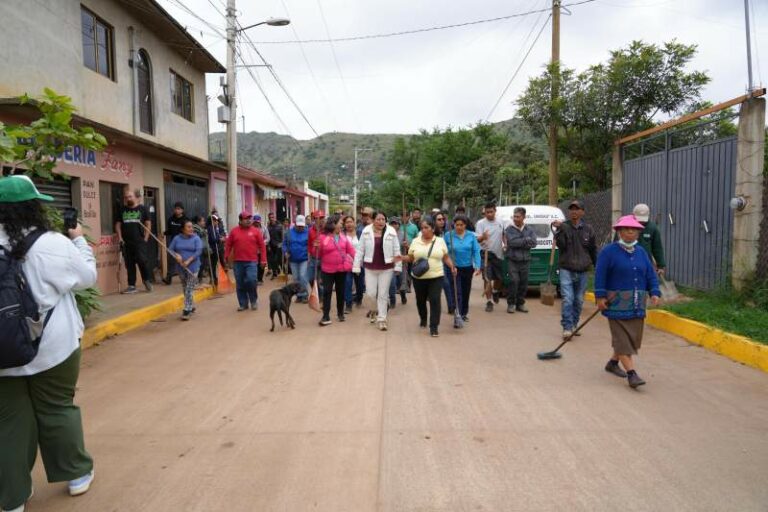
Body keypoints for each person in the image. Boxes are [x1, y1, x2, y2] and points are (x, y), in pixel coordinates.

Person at [0, 175, 97, 511]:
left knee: (8, 421)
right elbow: (87, 278)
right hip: (53, 347)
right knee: (57, 407)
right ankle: (76, 475)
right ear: (34, 207)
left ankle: (12, 497)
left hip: (2, 353)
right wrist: (79, 241)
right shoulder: (52, 243)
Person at [595, 215, 661, 388]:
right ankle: (632, 374)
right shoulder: (608, 252)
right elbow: (600, 275)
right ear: (619, 232)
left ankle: (612, 363)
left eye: (634, 229)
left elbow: (650, 274)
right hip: (615, 303)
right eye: (626, 229)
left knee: (632, 339)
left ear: (638, 233)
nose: (630, 232)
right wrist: (600, 296)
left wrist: (654, 292)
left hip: (637, 303)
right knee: (622, 340)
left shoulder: (641, 252)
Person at [400, 216, 457, 337]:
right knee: (420, 300)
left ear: (433, 228)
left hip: (436, 276)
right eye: (422, 228)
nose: (423, 230)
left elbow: (445, 257)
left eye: (426, 228)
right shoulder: (415, 241)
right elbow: (411, 258)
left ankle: (434, 326)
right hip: (419, 277)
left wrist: (452, 266)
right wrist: (401, 258)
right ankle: (423, 318)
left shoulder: (440, 241)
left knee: (435, 300)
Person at [552, 200, 597, 339]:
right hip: (566, 268)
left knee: (579, 300)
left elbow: (593, 249)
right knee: (568, 298)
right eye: (571, 209)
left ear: (582, 212)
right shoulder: (563, 227)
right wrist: (560, 230)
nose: (574, 212)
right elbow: (561, 245)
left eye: (577, 209)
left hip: (583, 269)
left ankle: (574, 324)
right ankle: (567, 327)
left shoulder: (589, 229)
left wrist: (597, 266)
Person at [353, 211, 402, 331]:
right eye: (378, 219)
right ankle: (374, 310)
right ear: (373, 220)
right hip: (370, 267)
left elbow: (396, 249)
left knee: (383, 294)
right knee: (370, 294)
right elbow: (360, 250)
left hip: (387, 268)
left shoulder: (391, 231)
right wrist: (356, 265)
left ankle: (382, 319)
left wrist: (398, 266)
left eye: (383, 219)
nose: (381, 222)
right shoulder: (366, 231)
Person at [317, 215, 355, 326]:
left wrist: (359, 261)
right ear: (333, 224)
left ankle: (340, 313)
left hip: (341, 269)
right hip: (327, 270)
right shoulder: (323, 237)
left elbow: (351, 251)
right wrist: (316, 248)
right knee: (327, 292)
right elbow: (318, 254)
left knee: (340, 291)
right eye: (340, 223)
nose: (342, 225)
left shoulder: (344, 237)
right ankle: (326, 316)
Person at [225, 211, 267, 311]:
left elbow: (262, 246)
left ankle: (253, 300)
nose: (248, 220)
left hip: (252, 261)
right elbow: (228, 245)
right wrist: (226, 257)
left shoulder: (256, 231)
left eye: (249, 218)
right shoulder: (234, 231)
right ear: (240, 220)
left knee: (251, 280)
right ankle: (243, 304)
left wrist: (263, 260)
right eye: (246, 219)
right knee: (240, 284)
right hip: (238, 262)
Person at [115, 187, 153, 294]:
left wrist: (145, 238)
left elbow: (148, 224)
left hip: (140, 241)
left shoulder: (143, 209)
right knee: (129, 264)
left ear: (136, 197)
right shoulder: (122, 209)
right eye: (126, 197)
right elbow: (118, 225)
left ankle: (146, 280)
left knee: (142, 261)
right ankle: (131, 286)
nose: (128, 199)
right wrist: (120, 238)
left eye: (130, 196)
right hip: (126, 242)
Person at [445, 215, 482, 322]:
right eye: (457, 225)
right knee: (457, 292)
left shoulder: (471, 236)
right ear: (454, 225)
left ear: (465, 225)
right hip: (453, 268)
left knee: (465, 291)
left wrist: (478, 266)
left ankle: (464, 313)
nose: (459, 227)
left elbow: (476, 251)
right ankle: (458, 314)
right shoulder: (448, 236)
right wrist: (450, 264)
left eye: (461, 225)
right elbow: (444, 252)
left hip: (467, 268)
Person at [503, 207, 538, 314]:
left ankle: (520, 304)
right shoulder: (509, 229)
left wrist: (521, 241)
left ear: (524, 217)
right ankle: (511, 304)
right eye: (514, 216)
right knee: (514, 281)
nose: (515, 219)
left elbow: (534, 243)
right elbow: (512, 243)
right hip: (512, 260)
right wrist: (526, 240)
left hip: (525, 260)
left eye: (518, 217)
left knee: (524, 282)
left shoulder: (529, 229)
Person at [168, 220, 203, 320]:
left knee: (189, 288)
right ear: (183, 229)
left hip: (193, 267)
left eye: (192, 227)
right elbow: (170, 249)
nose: (191, 229)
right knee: (185, 287)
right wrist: (176, 255)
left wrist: (188, 261)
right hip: (180, 267)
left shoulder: (196, 238)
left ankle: (187, 310)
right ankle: (191, 305)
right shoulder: (177, 238)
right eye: (188, 227)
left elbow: (198, 251)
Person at [475, 203, 506, 312]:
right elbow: (477, 239)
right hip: (486, 254)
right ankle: (489, 301)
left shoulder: (501, 221)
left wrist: (505, 244)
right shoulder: (480, 223)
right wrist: (483, 237)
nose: (489, 214)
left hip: (499, 254)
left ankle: (495, 291)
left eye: (491, 212)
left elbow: (503, 234)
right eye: (487, 212)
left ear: (495, 211)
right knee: (487, 278)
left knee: (499, 279)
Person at [632, 203, 666, 274]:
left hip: (645, 263)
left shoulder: (652, 228)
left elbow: (657, 248)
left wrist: (661, 266)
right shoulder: (627, 226)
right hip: (628, 261)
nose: (641, 221)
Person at [284, 215, 310, 303]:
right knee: (295, 278)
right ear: (295, 224)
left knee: (302, 276)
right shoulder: (288, 233)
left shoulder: (308, 232)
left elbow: (310, 244)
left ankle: (304, 295)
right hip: (293, 259)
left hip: (304, 258)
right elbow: (284, 244)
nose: (300, 228)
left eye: (302, 226)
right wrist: (285, 252)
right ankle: (299, 295)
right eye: (298, 226)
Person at [162, 202, 187, 285]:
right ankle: (168, 278)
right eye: (175, 208)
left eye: (178, 209)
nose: (176, 210)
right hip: (173, 243)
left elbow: (189, 231)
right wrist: (164, 233)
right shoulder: (171, 219)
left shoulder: (186, 220)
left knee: (183, 261)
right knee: (171, 261)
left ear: (182, 210)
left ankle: (186, 277)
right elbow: (170, 231)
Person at [342, 215, 363, 312]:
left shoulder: (360, 233)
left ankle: (359, 299)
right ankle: (348, 304)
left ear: (354, 223)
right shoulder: (342, 235)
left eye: (351, 222)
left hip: (359, 263)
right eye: (347, 222)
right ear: (344, 224)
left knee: (360, 284)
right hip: (346, 264)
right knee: (347, 283)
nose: (349, 224)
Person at [387, 217, 408, 308]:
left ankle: (403, 294)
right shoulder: (386, 234)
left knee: (401, 282)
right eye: (392, 223)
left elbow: (409, 247)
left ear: (399, 225)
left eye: (395, 223)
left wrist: (406, 245)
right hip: (390, 261)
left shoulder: (403, 234)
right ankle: (392, 300)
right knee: (392, 282)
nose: (394, 225)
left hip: (401, 261)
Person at [307, 210, 326, 295]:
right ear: (314, 219)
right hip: (313, 258)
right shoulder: (310, 231)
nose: (321, 220)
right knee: (310, 278)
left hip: (324, 258)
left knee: (322, 280)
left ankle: (321, 295)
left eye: (322, 218)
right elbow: (308, 244)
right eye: (319, 218)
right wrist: (308, 256)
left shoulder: (327, 230)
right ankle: (317, 292)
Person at [206, 214, 225, 286]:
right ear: (212, 221)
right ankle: (213, 278)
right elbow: (212, 239)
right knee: (212, 265)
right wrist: (220, 239)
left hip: (216, 248)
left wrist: (219, 237)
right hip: (213, 249)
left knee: (214, 265)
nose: (217, 222)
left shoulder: (214, 228)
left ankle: (214, 278)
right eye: (216, 221)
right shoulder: (210, 229)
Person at [192, 216, 211, 282]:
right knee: (200, 264)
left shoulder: (202, 228)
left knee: (204, 264)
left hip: (204, 248)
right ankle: (197, 278)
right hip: (199, 249)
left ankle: (200, 277)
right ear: (198, 222)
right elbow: (197, 237)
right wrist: (204, 233)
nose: (204, 222)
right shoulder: (195, 228)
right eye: (203, 221)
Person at [253, 215, 269, 285]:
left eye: (258, 222)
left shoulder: (264, 228)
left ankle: (260, 279)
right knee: (254, 265)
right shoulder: (250, 228)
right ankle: (255, 278)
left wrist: (262, 242)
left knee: (262, 264)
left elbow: (268, 238)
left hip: (262, 250)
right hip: (252, 250)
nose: (256, 223)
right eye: (255, 222)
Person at [267, 212, 284, 279]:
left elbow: (282, 236)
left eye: (272, 217)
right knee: (272, 260)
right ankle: (274, 273)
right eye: (270, 218)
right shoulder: (268, 227)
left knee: (277, 259)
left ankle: (281, 271)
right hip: (271, 245)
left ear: (275, 218)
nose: (271, 219)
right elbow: (268, 237)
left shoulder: (279, 226)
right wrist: (268, 245)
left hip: (278, 245)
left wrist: (282, 244)